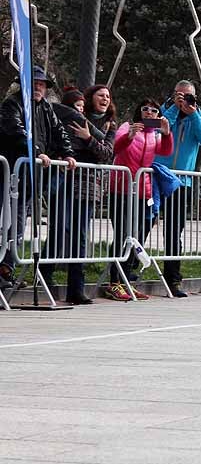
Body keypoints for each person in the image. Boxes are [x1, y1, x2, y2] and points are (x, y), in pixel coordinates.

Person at [0, 67, 78, 287]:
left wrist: (68, 153)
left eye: (41, 84)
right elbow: (15, 130)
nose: (38, 87)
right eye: (34, 83)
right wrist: (35, 151)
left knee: (18, 224)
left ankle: (6, 269)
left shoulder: (45, 107)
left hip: (30, 176)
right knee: (8, 222)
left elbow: (58, 130)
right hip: (11, 173)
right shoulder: (12, 103)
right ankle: (4, 268)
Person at [39, 87, 115, 304]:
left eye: (108, 97)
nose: (105, 99)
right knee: (60, 229)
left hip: (88, 184)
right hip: (65, 178)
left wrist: (89, 138)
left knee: (79, 234)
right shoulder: (72, 114)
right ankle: (43, 274)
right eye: (101, 95)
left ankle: (76, 287)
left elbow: (107, 153)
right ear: (90, 98)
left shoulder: (110, 124)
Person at [104, 98, 173, 300]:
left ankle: (126, 280)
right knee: (122, 235)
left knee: (138, 236)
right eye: (145, 109)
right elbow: (114, 148)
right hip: (122, 188)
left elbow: (166, 151)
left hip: (143, 192)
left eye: (154, 110)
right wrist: (130, 135)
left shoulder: (154, 135)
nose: (149, 113)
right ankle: (114, 282)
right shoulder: (127, 127)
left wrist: (167, 133)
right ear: (138, 112)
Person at [154, 80, 201, 297]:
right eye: (179, 96)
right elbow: (155, 131)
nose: (184, 100)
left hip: (181, 183)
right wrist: (173, 109)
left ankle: (173, 279)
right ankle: (128, 268)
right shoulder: (161, 111)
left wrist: (192, 114)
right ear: (172, 95)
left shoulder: (198, 115)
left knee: (174, 231)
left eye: (188, 96)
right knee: (142, 223)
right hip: (154, 178)